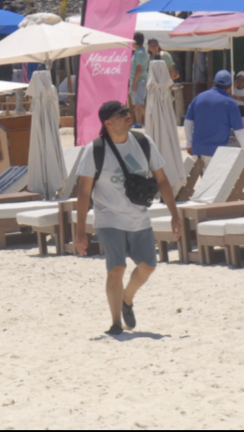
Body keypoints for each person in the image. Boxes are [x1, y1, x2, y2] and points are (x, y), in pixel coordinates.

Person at [73, 101, 182, 337]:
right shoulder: (96, 150)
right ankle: (115, 323)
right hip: (108, 217)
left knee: (148, 266)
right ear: (108, 123)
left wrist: (175, 214)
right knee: (117, 269)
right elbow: (84, 192)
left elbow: (162, 180)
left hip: (139, 218)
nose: (127, 114)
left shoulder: (143, 142)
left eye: (127, 111)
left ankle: (127, 299)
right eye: (121, 113)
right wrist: (80, 231)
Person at [184, 70, 244, 161]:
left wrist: (189, 144)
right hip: (217, 154)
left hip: (198, 151)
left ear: (213, 83)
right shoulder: (230, 103)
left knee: (204, 175)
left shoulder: (198, 98)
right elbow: (239, 131)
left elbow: (187, 122)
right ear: (230, 87)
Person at [129, 33, 149, 124]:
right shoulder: (138, 51)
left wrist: (134, 84)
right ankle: (138, 123)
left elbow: (139, 69)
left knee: (140, 104)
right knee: (138, 104)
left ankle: (151, 121)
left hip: (139, 82)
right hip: (138, 82)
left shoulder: (140, 52)